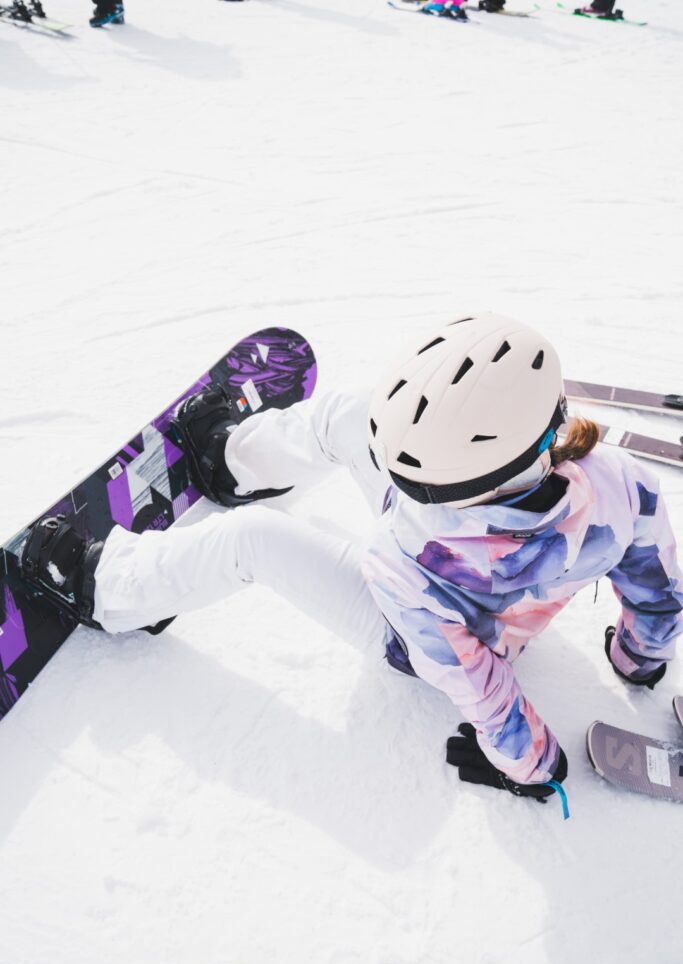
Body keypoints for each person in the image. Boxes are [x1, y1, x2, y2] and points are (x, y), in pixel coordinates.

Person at [20, 314, 683, 809]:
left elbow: (471, 674)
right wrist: (639, 658)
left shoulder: (405, 566)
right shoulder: (620, 482)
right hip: (464, 565)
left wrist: (526, 761)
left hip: (419, 634)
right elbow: (657, 587)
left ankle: (107, 589)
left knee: (254, 540)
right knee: (353, 413)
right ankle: (233, 461)